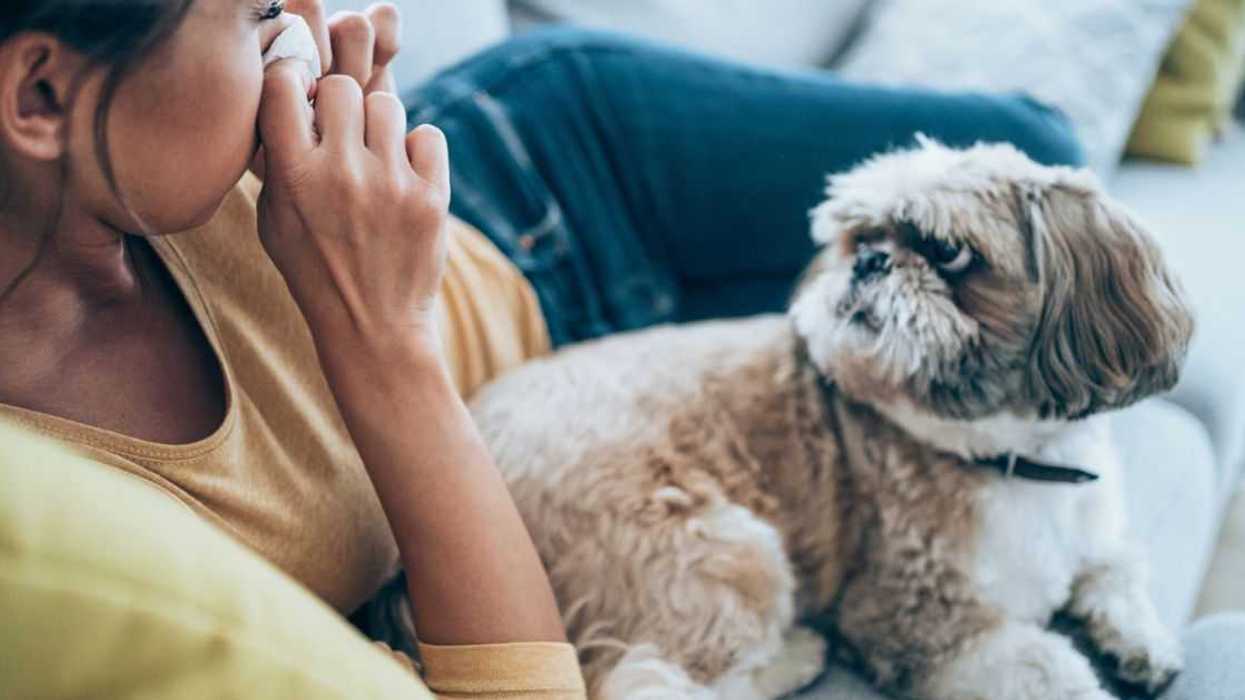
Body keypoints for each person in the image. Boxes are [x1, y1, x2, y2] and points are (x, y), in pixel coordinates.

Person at [2, 1, 1230, 698]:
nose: (318, 26)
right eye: (260, 14)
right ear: (41, 97)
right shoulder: (68, 512)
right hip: (596, 394)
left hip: (555, 157)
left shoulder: (158, 176)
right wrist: (381, 338)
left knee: (1033, 156)